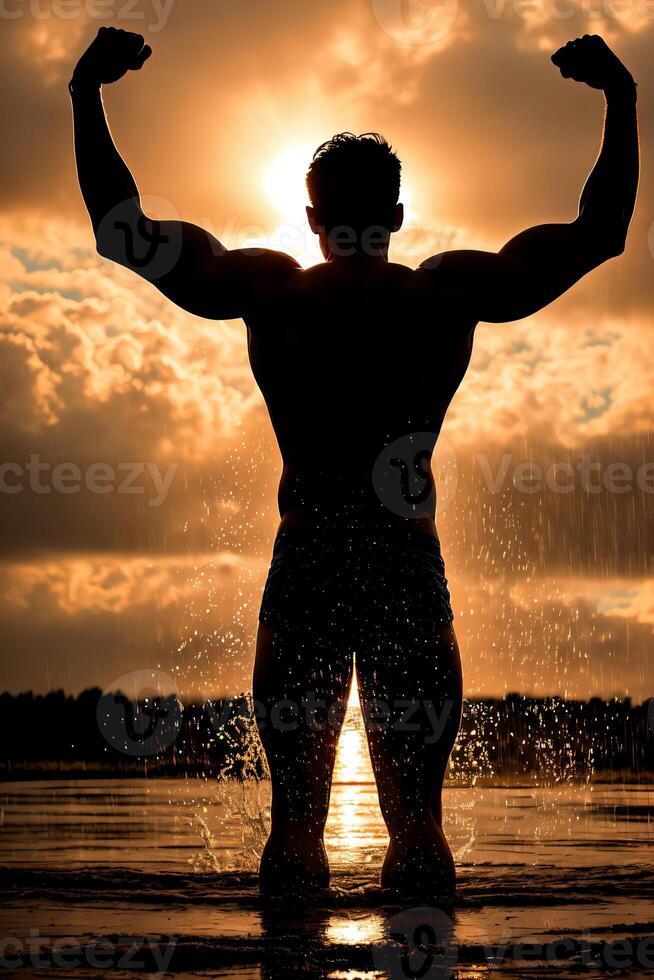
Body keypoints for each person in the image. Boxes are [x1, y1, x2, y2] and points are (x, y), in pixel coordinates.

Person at [70, 29, 638, 899]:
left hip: (310, 554)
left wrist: (85, 92)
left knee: (295, 827)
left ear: (310, 218)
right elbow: (598, 234)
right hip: (405, 559)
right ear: (400, 215)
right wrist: (622, 98)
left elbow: (124, 233)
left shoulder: (272, 291)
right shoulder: (444, 293)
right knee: (418, 828)